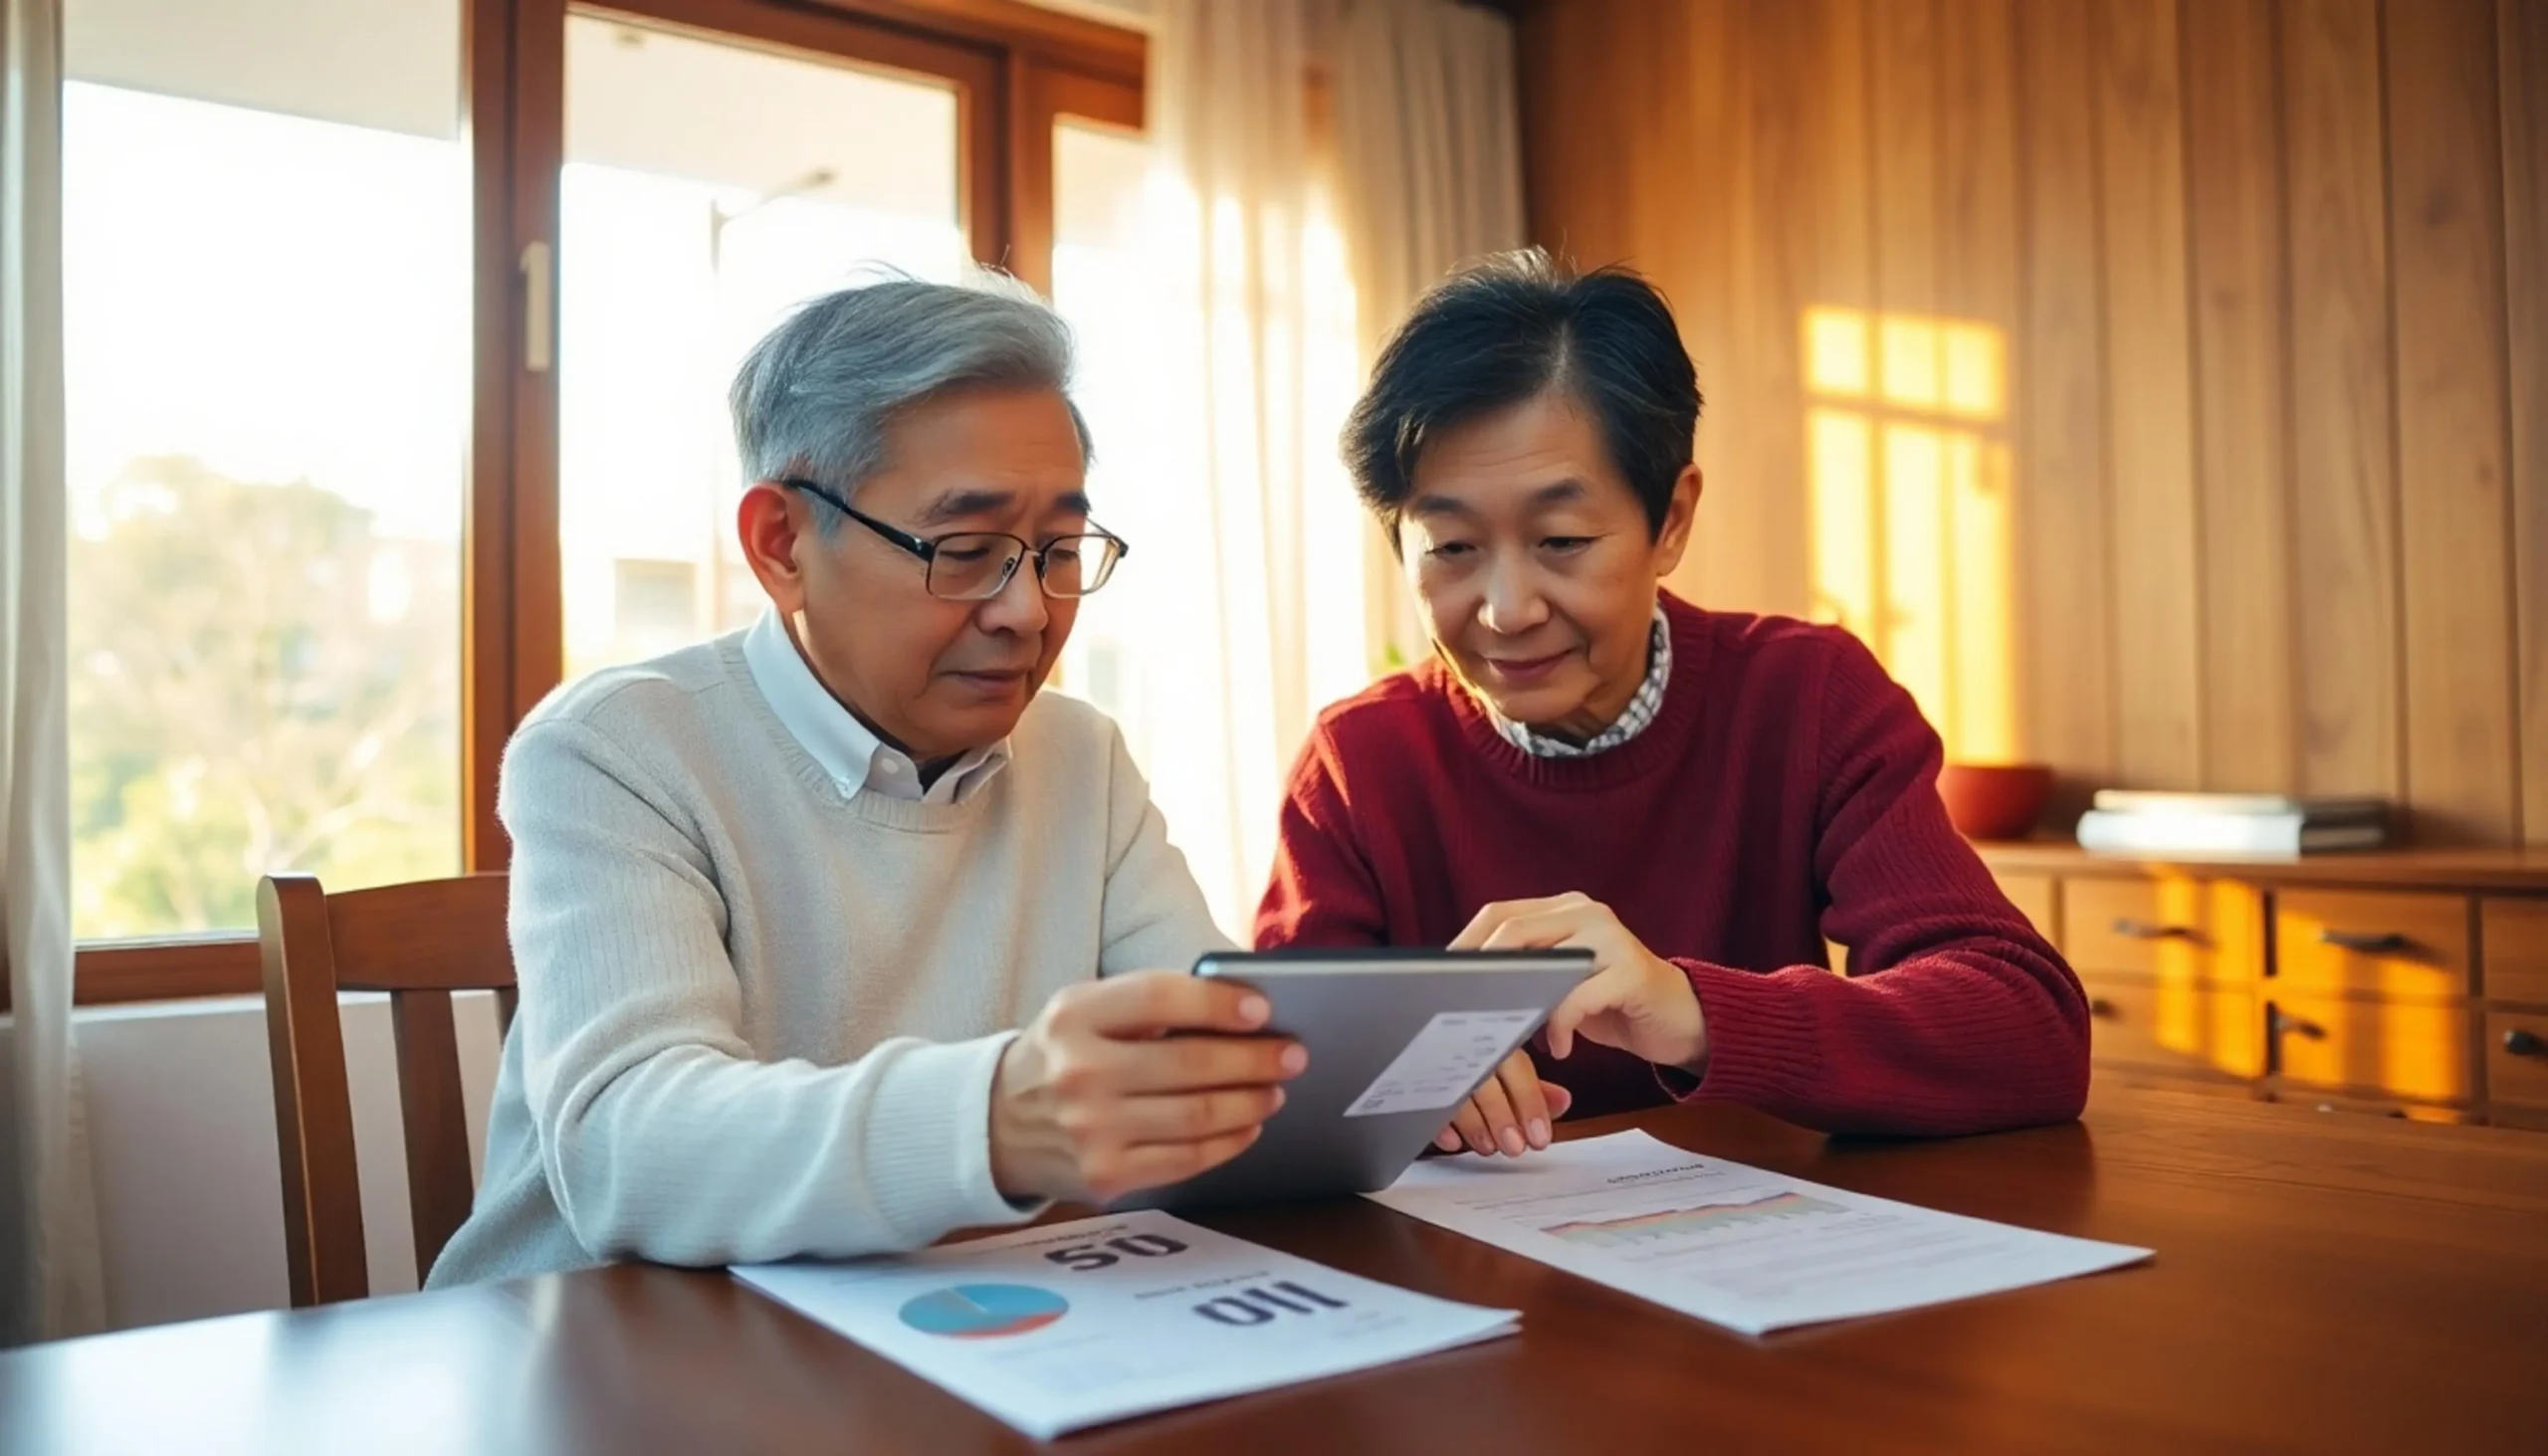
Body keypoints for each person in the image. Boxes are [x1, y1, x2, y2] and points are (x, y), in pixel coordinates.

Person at [431, 275, 1298, 1287]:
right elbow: (628, 1147)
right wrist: (995, 1115)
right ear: (781, 542)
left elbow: (1217, 1035)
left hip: (941, 1324)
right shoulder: (617, 748)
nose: (1026, 608)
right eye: (967, 550)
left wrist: (1399, 1068)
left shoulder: (1080, 755)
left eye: (1059, 551)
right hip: (602, 1351)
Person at [1255, 251, 2088, 1157]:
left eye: (1562, 539)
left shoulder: (1806, 698)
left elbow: (2029, 1026)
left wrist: (1688, 1010)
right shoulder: (1360, 760)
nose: (1506, 608)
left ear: (1674, 521)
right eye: (1452, 546)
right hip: (1469, 1284)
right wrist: (1382, 1073)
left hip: (1762, 1266)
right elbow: (1261, 1077)